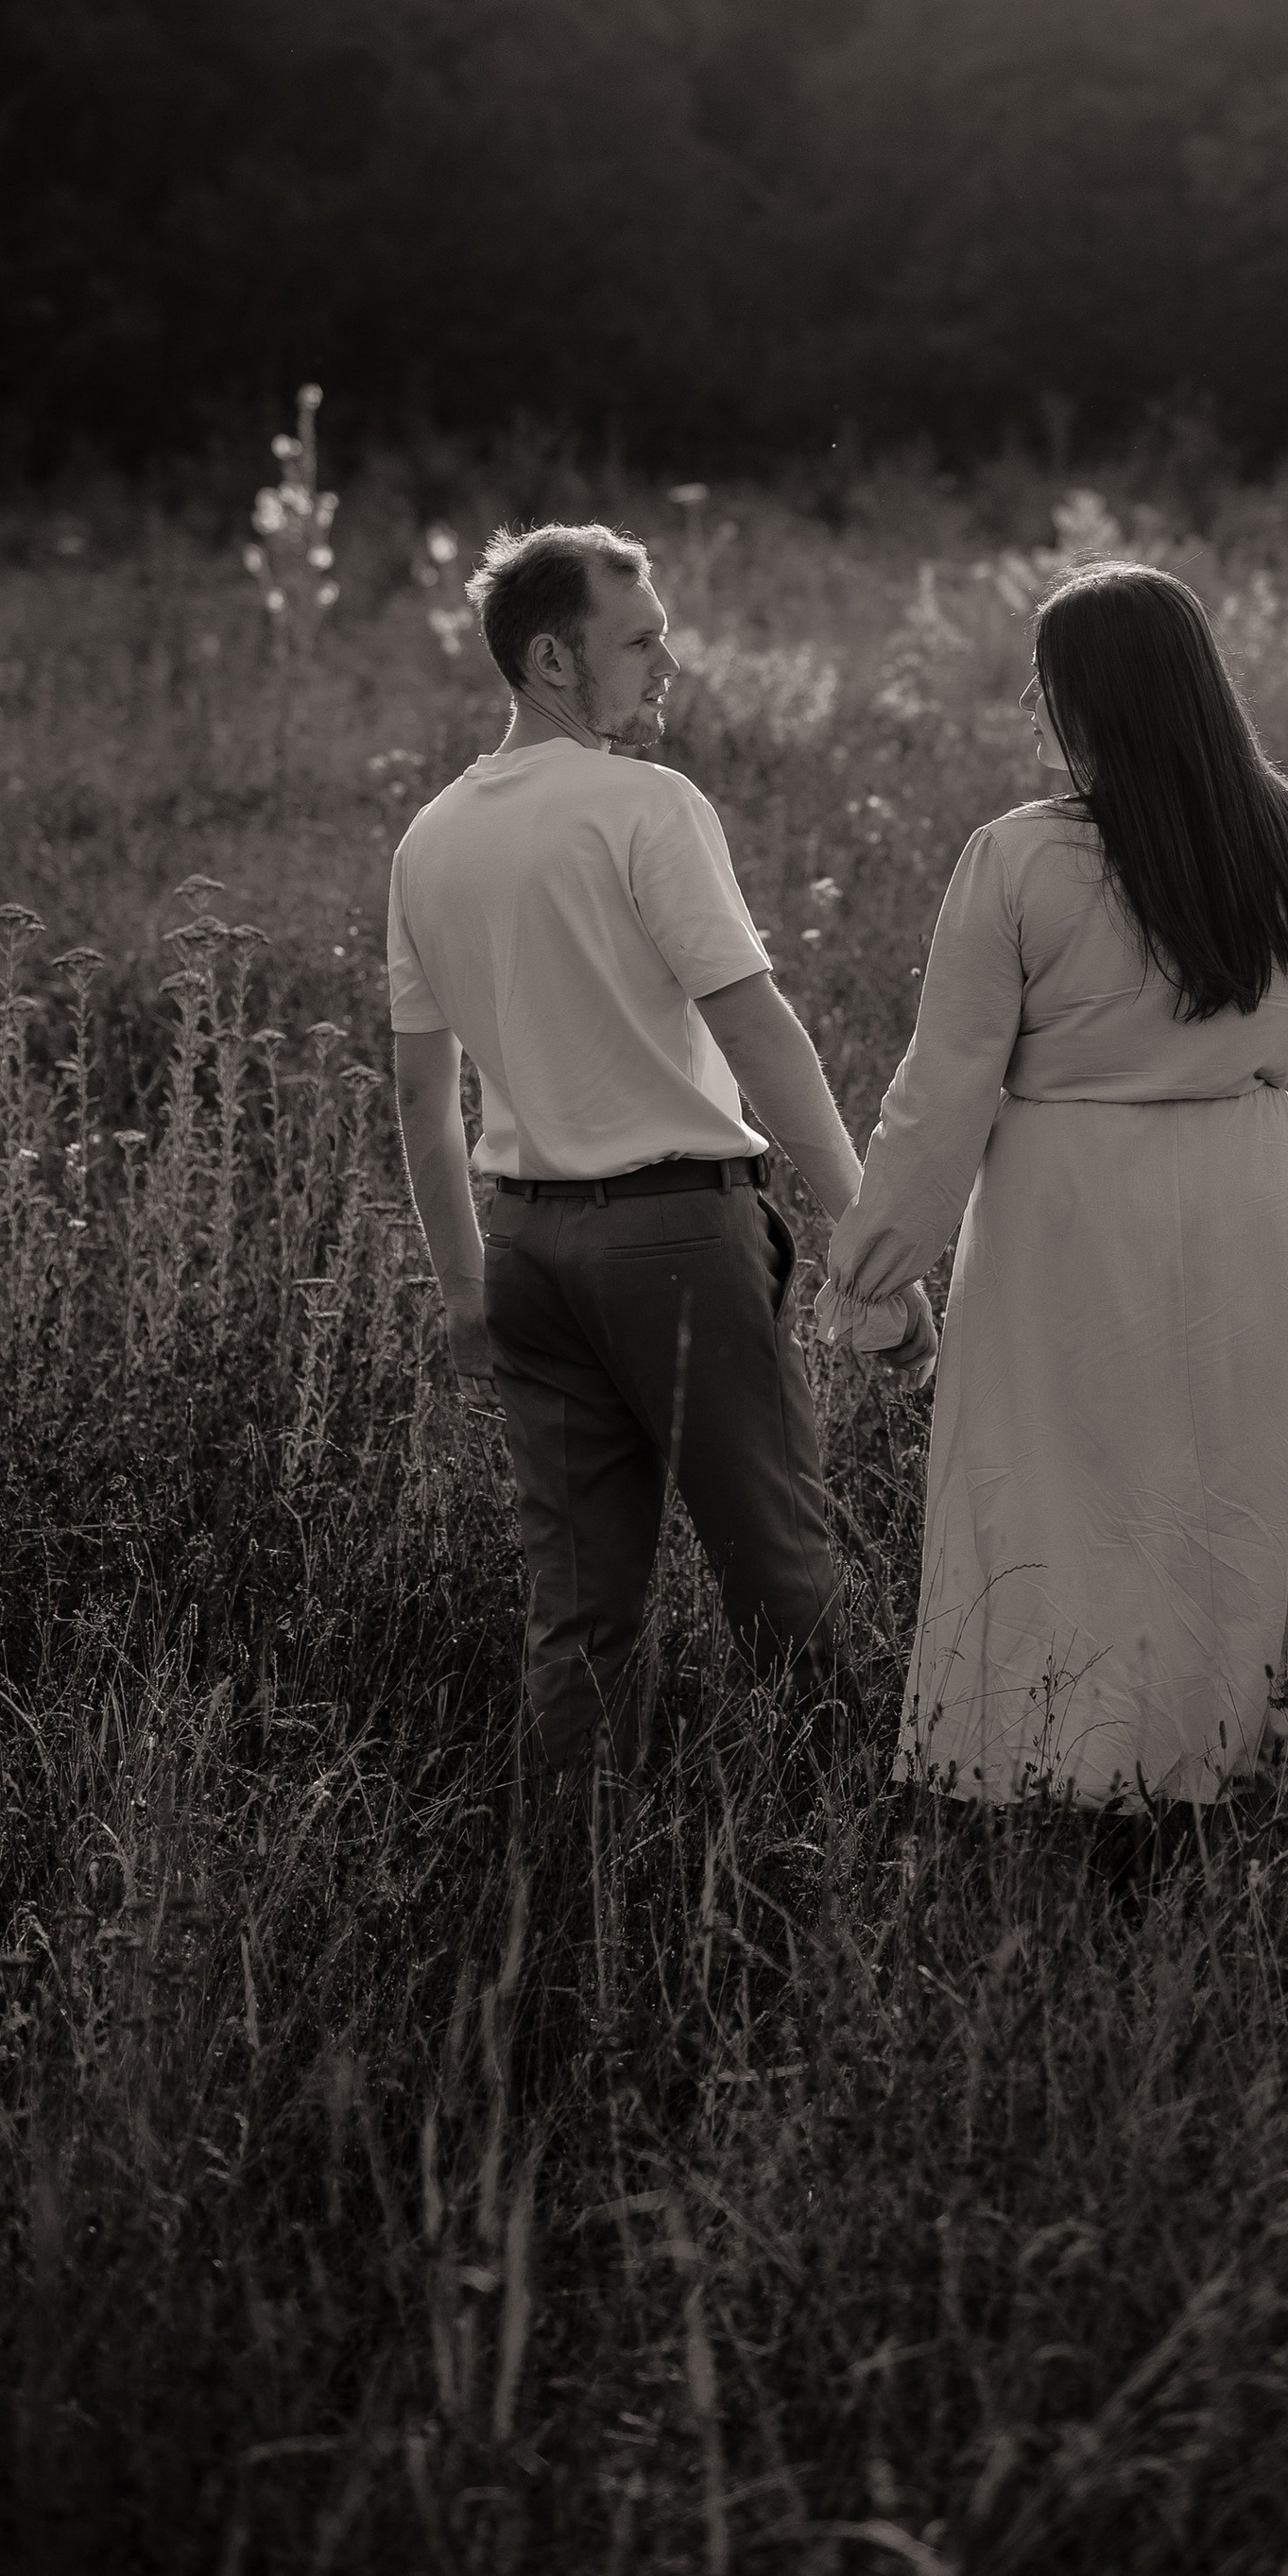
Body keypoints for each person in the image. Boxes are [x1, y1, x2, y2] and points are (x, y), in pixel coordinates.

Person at [815, 559, 1288, 1807]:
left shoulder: (1018, 860)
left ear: (1096, 704)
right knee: (1228, 1509)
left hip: (1061, 1222)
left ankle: (1046, 1776)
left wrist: (872, 1283)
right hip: (1251, 1207)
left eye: (1046, 690)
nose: (1033, 716)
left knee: (1057, 1510)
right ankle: (1207, 1784)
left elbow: (941, 1095)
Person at [387, 518, 935, 1777]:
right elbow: (758, 1027)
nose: (668, 663)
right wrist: (869, 1241)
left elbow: (425, 1103)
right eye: (639, 639)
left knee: (578, 1616)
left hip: (522, 1250)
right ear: (553, 659)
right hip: (676, 1241)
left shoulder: (429, 839)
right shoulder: (647, 805)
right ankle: (856, 1865)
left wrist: (464, 1289)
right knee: (786, 1576)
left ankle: (580, 1903)